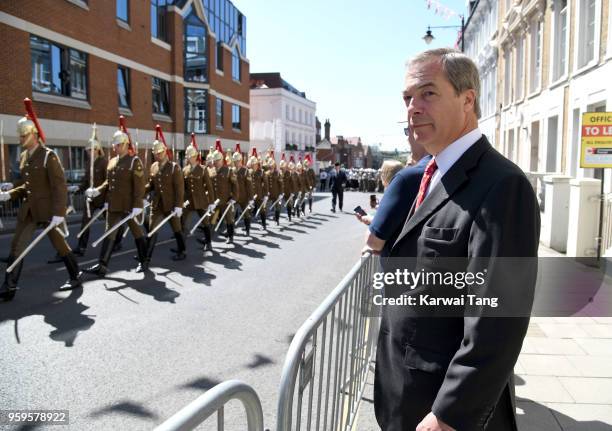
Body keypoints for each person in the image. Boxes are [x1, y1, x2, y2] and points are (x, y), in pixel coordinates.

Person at [373, 48, 540, 431]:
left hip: (441, 410)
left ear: (467, 100)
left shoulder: (501, 184)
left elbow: (499, 318)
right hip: (404, 393)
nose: (413, 108)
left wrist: (451, 413)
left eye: (428, 93)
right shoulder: (430, 175)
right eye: (407, 98)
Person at [0, 98, 82, 301]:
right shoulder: (25, 157)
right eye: (19, 135)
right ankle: (8, 287)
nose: (20, 138)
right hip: (29, 211)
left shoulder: (49, 156)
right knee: (18, 247)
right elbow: (26, 185)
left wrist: (58, 213)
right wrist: (10, 192)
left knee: (61, 246)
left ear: (34, 134)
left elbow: (59, 187)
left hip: (48, 212)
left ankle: (75, 275)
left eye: (24, 134)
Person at [84, 116, 147, 276]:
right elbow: (108, 182)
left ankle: (143, 260)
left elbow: (139, 186)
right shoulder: (112, 162)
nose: (116, 148)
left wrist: (138, 205)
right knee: (108, 232)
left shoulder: (134, 162)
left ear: (126, 145)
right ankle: (102, 265)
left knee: (137, 233)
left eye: (118, 145)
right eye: (115, 145)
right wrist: (98, 190)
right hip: (114, 204)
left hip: (129, 205)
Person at [359, 152, 430, 257]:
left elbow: (373, 240)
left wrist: (372, 223)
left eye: (410, 164)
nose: (406, 167)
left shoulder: (405, 181)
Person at [144, 125, 186, 262]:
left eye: (160, 152)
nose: (158, 155)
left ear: (165, 152)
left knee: (177, 229)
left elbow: (179, 188)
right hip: (157, 203)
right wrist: (141, 193)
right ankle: (146, 257)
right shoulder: (153, 166)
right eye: (155, 153)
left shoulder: (174, 168)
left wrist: (179, 205)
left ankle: (182, 250)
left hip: (172, 204)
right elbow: (151, 185)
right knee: (152, 229)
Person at [182, 133, 215, 252]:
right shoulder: (185, 170)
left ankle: (209, 243)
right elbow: (183, 188)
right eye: (186, 156)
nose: (187, 157)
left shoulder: (203, 169)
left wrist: (211, 202)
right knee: (184, 224)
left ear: (194, 156)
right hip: (189, 202)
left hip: (201, 201)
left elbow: (209, 187)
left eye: (188, 155)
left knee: (205, 223)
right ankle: (182, 249)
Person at [209, 140, 238, 243]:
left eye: (217, 160)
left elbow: (235, 186)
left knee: (229, 219)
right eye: (214, 160)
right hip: (215, 201)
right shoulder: (212, 171)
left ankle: (230, 237)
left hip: (226, 201)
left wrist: (234, 198)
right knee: (211, 219)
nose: (215, 162)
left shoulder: (228, 171)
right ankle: (208, 241)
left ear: (221, 160)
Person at [232, 144, 254, 236]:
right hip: (234, 197)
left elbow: (249, 186)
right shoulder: (232, 170)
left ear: (240, 160)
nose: (236, 162)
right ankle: (231, 231)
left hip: (244, 197)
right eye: (235, 161)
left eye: (237, 161)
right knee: (231, 214)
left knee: (246, 214)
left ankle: (248, 229)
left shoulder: (245, 171)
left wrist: (251, 198)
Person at [249, 149, 269, 230]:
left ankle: (264, 224)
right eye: (252, 164)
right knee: (248, 210)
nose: (254, 165)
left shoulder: (261, 172)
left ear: (257, 164)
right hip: (251, 194)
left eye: (255, 164)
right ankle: (248, 226)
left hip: (260, 194)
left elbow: (266, 184)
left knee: (262, 210)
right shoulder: (249, 172)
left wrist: (265, 195)